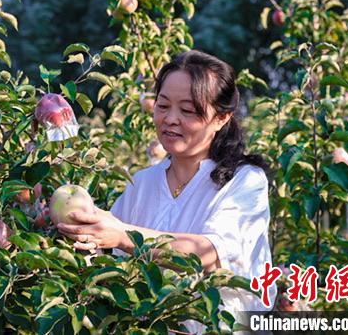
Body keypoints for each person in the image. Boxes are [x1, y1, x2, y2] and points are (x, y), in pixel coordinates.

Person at [57, 50, 275, 323]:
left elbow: (210, 253)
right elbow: (109, 258)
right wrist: (80, 228)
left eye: (188, 110)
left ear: (222, 118)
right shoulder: (141, 184)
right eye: (163, 106)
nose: (171, 118)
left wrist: (124, 236)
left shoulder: (244, 181)